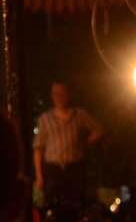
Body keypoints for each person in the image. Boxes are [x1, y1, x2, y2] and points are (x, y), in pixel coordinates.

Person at [34, 81, 101, 209]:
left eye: (62, 93)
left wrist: (85, 143)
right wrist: (39, 176)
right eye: (55, 94)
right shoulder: (45, 119)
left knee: (76, 205)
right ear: (52, 96)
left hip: (75, 168)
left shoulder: (80, 115)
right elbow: (38, 148)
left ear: (68, 95)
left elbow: (98, 130)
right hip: (53, 170)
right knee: (53, 205)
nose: (59, 97)